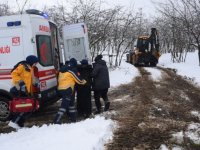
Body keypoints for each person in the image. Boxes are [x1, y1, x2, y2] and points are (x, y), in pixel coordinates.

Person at [8, 55, 39, 129]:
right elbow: (13, 74)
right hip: (17, 89)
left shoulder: (30, 68)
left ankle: (20, 124)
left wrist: (35, 83)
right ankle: (13, 122)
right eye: (35, 63)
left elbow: (31, 78)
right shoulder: (22, 66)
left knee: (25, 107)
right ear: (31, 61)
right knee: (23, 107)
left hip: (24, 90)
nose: (35, 64)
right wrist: (20, 82)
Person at [53, 58, 86, 124]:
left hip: (61, 88)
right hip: (67, 89)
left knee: (71, 104)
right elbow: (79, 80)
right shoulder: (72, 70)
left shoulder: (62, 69)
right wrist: (85, 82)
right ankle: (56, 120)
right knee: (64, 105)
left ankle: (73, 119)